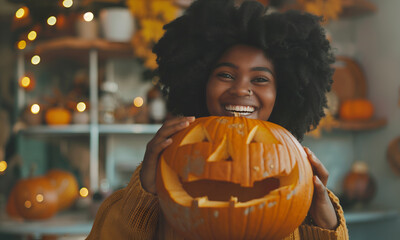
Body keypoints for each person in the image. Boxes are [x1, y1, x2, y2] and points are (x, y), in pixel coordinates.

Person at [87, 0, 348, 239]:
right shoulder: (166, 167)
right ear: (200, 80)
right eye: (225, 75)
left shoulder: (299, 181)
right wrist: (145, 194)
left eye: (259, 79)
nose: (240, 90)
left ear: (284, 92)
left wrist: (322, 218)